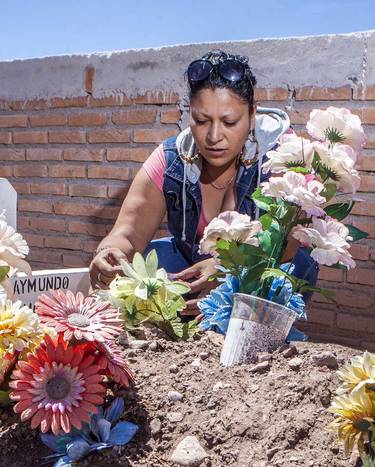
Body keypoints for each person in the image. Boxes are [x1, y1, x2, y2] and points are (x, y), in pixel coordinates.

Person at [88, 50, 318, 314]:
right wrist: (109, 253)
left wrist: (227, 272)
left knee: (293, 269)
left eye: (229, 122)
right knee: (149, 263)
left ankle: (244, 327)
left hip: (262, 271)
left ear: (252, 115)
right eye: (201, 120)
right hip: (195, 268)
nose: (214, 136)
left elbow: (286, 246)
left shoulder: (285, 157)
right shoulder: (172, 159)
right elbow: (128, 233)